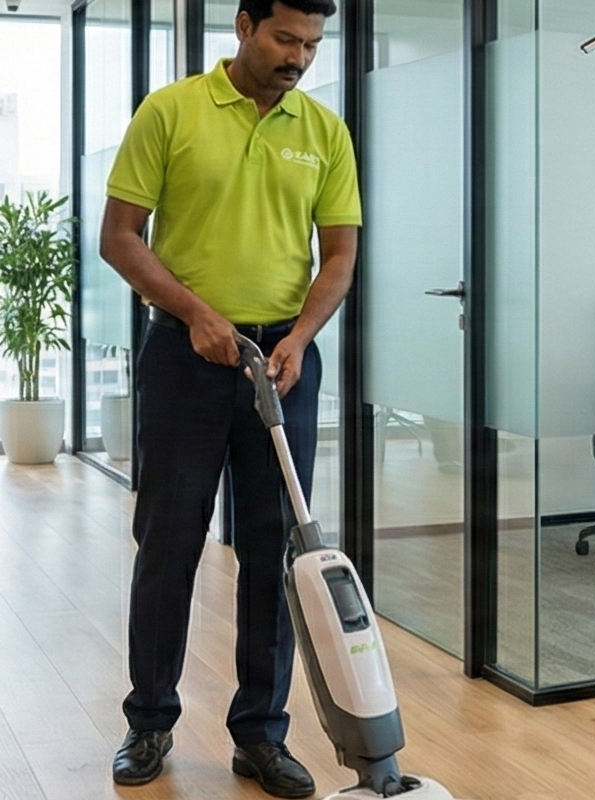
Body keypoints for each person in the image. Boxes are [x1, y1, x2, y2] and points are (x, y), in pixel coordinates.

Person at [98, 0, 360, 794]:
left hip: (282, 362)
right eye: (285, 38)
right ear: (244, 26)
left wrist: (302, 336)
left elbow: (339, 255)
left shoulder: (324, 131)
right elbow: (119, 237)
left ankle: (261, 734)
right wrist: (196, 315)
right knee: (170, 541)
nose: (298, 57)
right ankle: (149, 721)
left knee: (276, 551)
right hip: (186, 357)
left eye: (312, 43)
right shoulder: (171, 112)